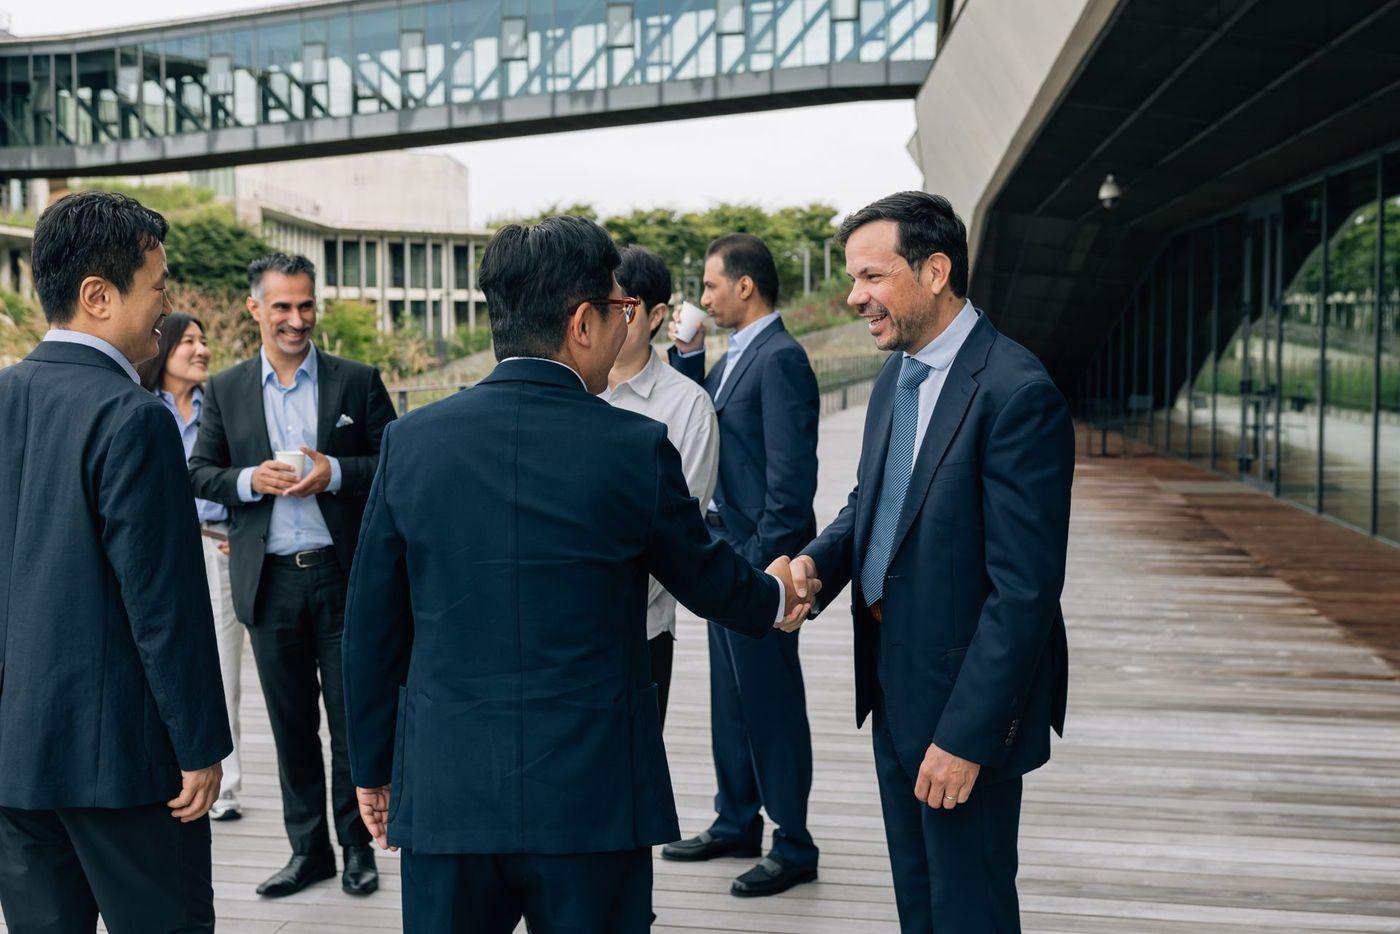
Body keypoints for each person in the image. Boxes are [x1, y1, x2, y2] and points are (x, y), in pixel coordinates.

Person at [341, 215, 816, 934]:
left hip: (448, 791)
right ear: (581, 324)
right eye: (620, 311)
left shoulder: (412, 444)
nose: (626, 327)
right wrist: (780, 592)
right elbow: (710, 579)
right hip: (593, 799)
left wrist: (373, 768)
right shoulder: (633, 447)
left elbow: (372, 626)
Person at [789, 191, 1074, 932]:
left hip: (962, 714)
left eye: (872, 277)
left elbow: (1025, 592)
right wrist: (817, 569)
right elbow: (871, 505)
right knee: (919, 905)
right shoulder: (898, 376)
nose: (855, 297)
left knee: (968, 908)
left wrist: (966, 737)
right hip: (892, 689)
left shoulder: (1017, 393)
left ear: (936, 270)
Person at [0, 190, 232, 933]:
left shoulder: (4, 397)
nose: (165, 311)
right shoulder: (133, 415)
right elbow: (162, 602)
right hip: (127, 769)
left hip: (16, 758)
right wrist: (199, 747)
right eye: (157, 288)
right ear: (97, 296)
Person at [188, 253, 396, 899]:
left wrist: (334, 471)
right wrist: (251, 481)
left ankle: (357, 847)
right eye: (282, 306)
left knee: (349, 720)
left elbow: (395, 457)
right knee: (291, 726)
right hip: (268, 581)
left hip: (342, 575)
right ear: (256, 309)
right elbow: (198, 473)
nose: (296, 319)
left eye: (306, 305)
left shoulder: (356, 379)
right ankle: (308, 853)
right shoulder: (223, 389)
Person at [662, 233, 821, 897]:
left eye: (709, 285)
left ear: (745, 286)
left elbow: (791, 480)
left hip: (759, 561)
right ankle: (736, 819)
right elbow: (702, 416)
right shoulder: (735, 357)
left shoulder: (780, 359)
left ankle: (793, 841)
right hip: (724, 552)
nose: (702, 297)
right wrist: (690, 354)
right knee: (730, 700)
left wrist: (768, 571)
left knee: (771, 701)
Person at [601, 245, 719, 727]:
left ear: (656, 315)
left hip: (639, 635)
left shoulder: (689, 408)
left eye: (623, 309)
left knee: (633, 785)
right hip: (556, 637)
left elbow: (676, 539)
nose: (608, 321)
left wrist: (598, 604)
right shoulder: (568, 392)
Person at [138, 312, 245, 822]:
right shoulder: (141, 407)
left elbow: (242, 473)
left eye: (204, 340)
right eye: (188, 341)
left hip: (221, 546)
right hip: (170, 552)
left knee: (225, 671)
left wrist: (239, 532)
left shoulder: (219, 405)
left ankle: (227, 783)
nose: (201, 350)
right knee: (180, 660)